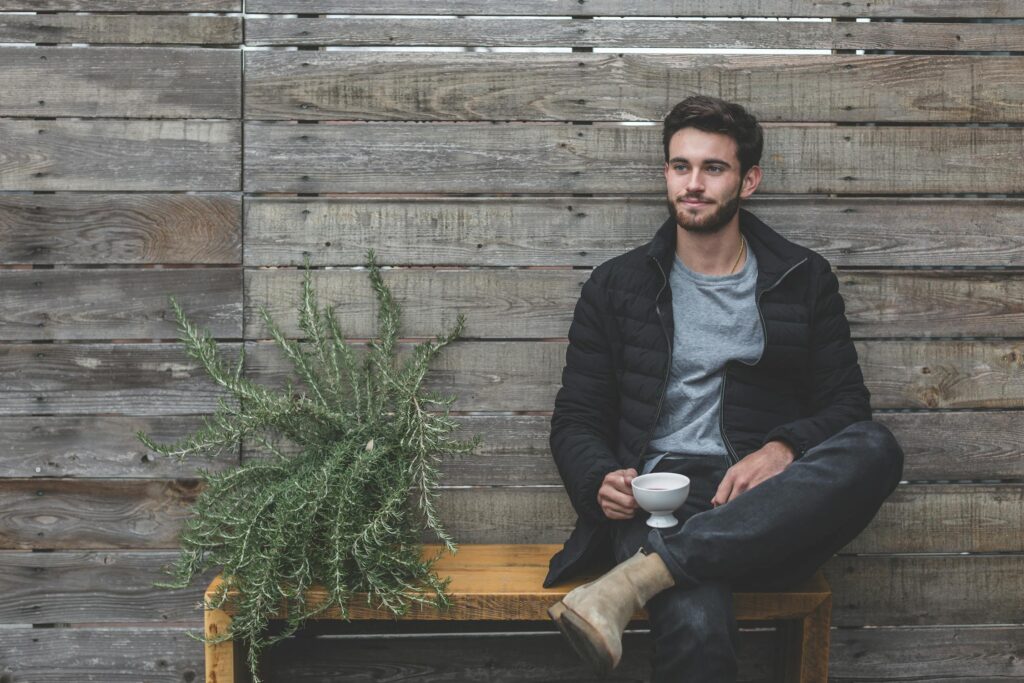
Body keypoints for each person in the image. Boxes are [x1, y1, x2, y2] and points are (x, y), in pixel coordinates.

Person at [544, 95, 904, 681]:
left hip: (765, 508)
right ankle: (656, 565)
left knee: (876, 447)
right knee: (697, 627)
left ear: (749, 180)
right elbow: (577, 417)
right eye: (680, 166)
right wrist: (598, 481)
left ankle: (639, 576)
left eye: (713, 168)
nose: (693, 183)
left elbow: (847, 406)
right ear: (665, 173)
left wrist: (782, 450)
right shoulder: (616, 286)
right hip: (659, 504)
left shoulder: (802, 278)